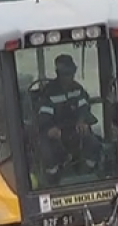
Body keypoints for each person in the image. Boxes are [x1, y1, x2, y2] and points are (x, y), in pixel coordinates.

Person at [33, 53, 102, 182]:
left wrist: (82, 121)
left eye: (71, 73)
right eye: (65, 74)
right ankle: (53, 181)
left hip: (75, 129)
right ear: (58, 74)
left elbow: (84, 107)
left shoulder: (78, 89)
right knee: (48, 154)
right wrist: (50, 130)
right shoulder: (49, 92)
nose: (69, 77)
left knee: (94, 145)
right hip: (55, 133)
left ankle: (86, 176)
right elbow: (43, 117)